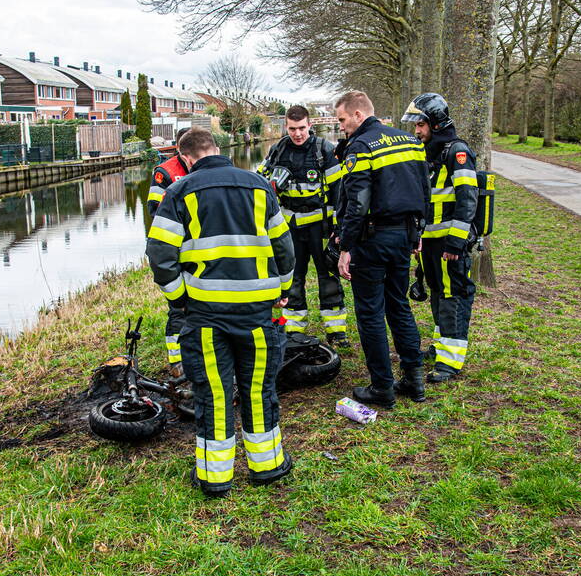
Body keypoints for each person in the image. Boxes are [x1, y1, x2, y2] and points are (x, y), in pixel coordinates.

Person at [146, 129, 296, 498]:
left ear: (187, 159)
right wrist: (281, 290)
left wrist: (180, 299)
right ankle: (267, 465)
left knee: (212, 392)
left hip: (205, 314)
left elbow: (160, 257)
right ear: (216, 150)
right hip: (258, 312)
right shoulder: (260, 186)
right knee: (259, 388)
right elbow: (284, 249)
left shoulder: (178, 192)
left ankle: (215, 477)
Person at [334, 91, 430, 408]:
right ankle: (414, 380)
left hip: (372, 239)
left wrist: (346, 246)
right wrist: (418, 231)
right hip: (404, 236)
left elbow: (357, 201)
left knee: (371, 313)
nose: (341, 127)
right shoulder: (410, 142)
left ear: (359, 114)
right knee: (398, 305)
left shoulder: (361, 146)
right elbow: (424, 189)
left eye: (343, 119)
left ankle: (382, 387)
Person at [257, 105, 347, 346]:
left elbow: (339, 191)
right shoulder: (277, 150)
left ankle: (336, 330)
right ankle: (294, 329)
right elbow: (259, 181)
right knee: (292, 276)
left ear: (310, 126)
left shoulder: (324, 149)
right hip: (289, 227)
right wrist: (272, 182)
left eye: (301, 128)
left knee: (327, 274)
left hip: (319, 225)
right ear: (286, 127)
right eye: (292, 129)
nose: (297, 134)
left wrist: (338, 228)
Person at [404, 93, 478, 383]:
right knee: (437, 292)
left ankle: (450, 362)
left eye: (420, 125)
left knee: (452, 297)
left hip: (449, 243)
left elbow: (467, 199)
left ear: (435, 122)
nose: (417, 131)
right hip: (430, 242)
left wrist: (456, 243)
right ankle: (440, 346)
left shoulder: (457, 152)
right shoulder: (427, 151)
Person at [147, 128, 190, 376]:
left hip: (198, 249)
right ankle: (176, 361)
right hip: (174, 247)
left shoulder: (202, 167)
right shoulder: (165, 172)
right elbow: (155, 210)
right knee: (178, 306)